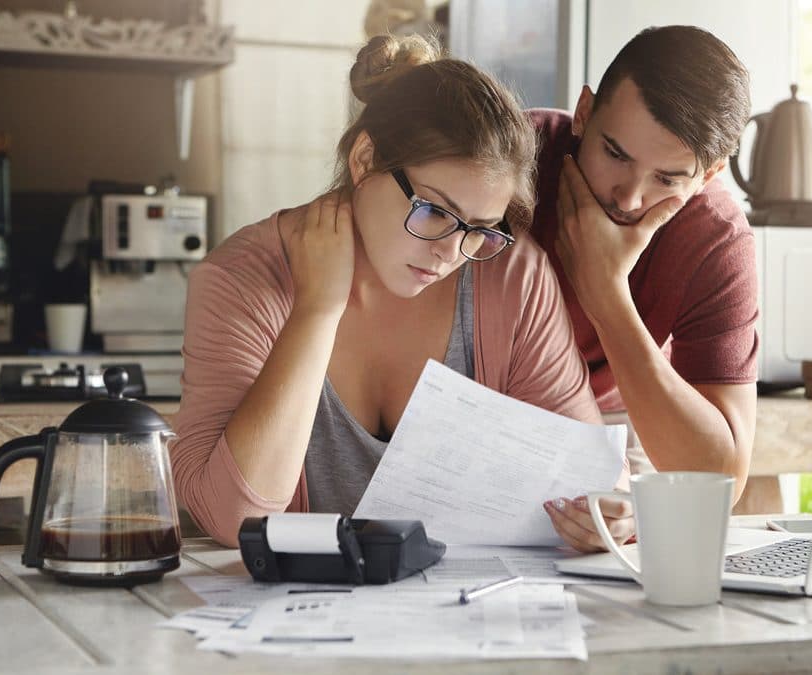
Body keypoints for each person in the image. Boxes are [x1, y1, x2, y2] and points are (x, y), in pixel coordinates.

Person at [169, 35, 632, 552]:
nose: (450, 252)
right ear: (365, 159)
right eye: (434, 211)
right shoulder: (241, 279)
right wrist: (317, 310)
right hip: (294, 624)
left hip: (466, 616)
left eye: (479, 228)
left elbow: (587, 478)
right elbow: (235, 518)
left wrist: (607, 515)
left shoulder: (512, 276)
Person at [532, 26, 759, 546]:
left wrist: (607, 294)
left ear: (709, 174)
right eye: (615, 154)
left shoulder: (716, 239)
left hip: (619, 410)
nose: (631, 198)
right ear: (584, 112)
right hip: (477, 394)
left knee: (621, 549)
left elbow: (720, 480)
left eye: (668, 179)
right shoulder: (510, 158)